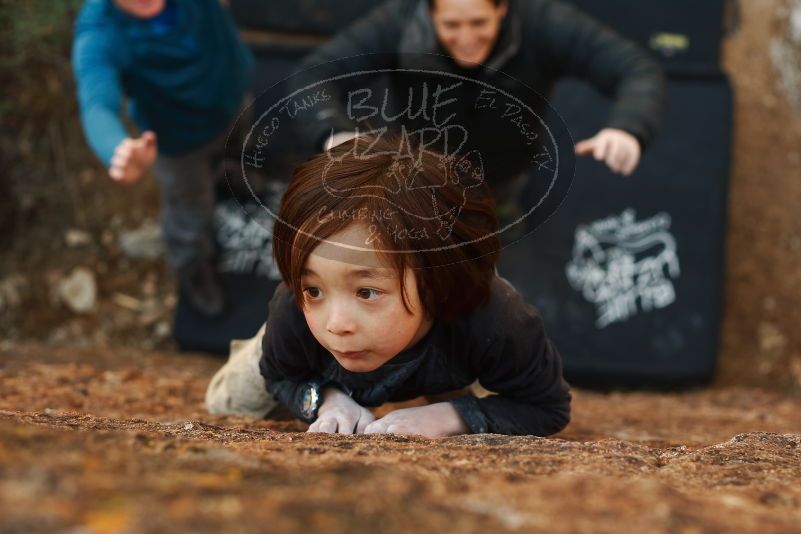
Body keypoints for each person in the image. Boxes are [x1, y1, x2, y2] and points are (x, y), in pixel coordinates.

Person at [206, 135, 571, 437]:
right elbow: (281, 375)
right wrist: (326, 398)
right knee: (228, 402)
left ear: (437, 279)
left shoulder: (494, 317)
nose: (336, 323)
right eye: (314, 290)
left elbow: (545, 405)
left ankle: (419, 388)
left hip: (439, 356)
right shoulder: (294, 312)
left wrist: (451, 417)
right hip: (310, 359)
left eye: (366, 292)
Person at [290, 0, 664, 186]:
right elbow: (311, 76)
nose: (466, 39)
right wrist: (334, 133)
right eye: (451, 25)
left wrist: (628, 127)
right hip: (419, 181)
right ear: (429, 12)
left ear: (501, 9)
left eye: (478, 22)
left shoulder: (545, 23)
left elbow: (635, 69)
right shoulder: (398, 23)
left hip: (507, 180)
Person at [72, 0, 253, 315]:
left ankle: (229, 177)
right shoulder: (102, 32)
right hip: (178, 142)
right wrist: (116, 148)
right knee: (190, 213)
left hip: (232, 103)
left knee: (236, 155)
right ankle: (193, 271)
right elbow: (97, 102)